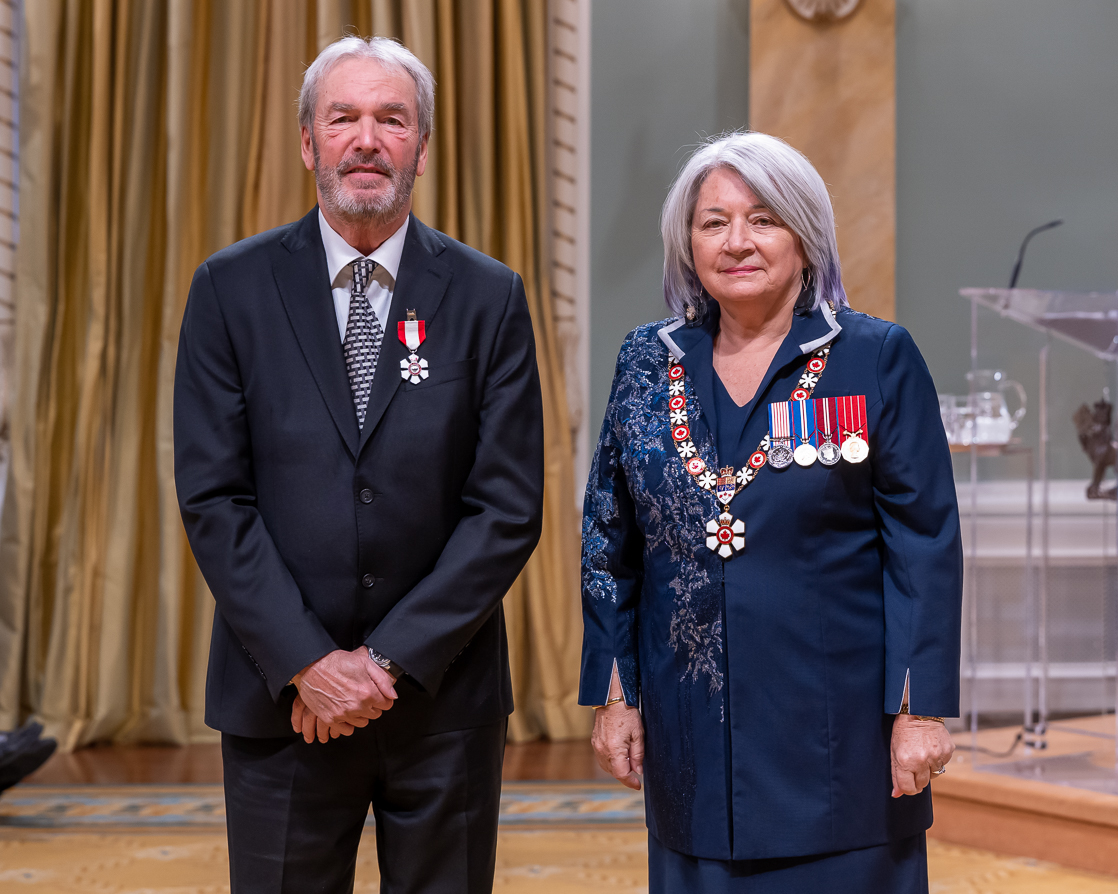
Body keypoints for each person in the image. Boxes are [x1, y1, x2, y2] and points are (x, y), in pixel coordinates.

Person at [174, 36, 543, 894]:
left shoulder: (490, 295)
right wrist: (310, 663)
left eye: (392, 119)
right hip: (282, 701)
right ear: (309, 142)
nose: (367, 140)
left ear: (423, 146)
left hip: (442, 698)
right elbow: (214, 497)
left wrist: (385, 663)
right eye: (343, 118)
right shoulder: (229, 289)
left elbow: (507, 506)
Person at [580, 131, 962, 892]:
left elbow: (923, 545)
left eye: (763, 219)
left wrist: (920, 709)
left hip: (840, 746)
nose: (737, 242)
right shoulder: (645, 362)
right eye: (713, 222)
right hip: (691, 741)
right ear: (687, 243)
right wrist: (616, 695)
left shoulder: (875, 357)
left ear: (805, 235)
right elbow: (607, 541)